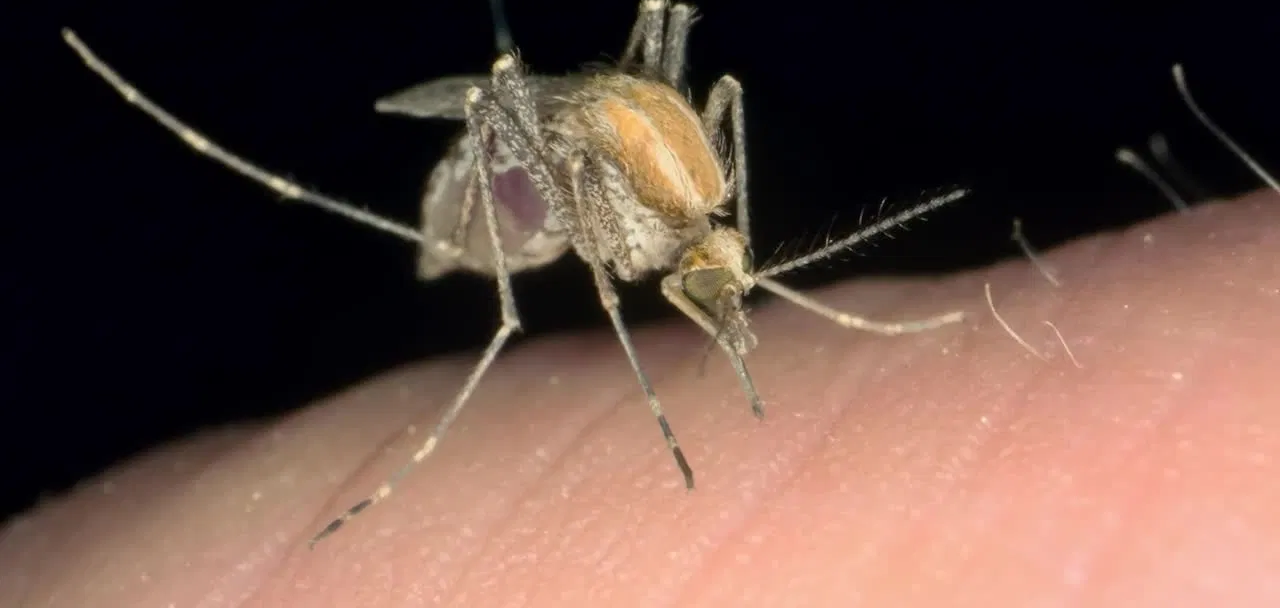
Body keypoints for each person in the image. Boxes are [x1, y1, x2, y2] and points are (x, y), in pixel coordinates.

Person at [3, 189, 1276, 607]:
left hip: (634, 181)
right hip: (519, 180)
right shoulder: (656, 231)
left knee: (680, 73)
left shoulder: (699, 213)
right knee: (535, 283)